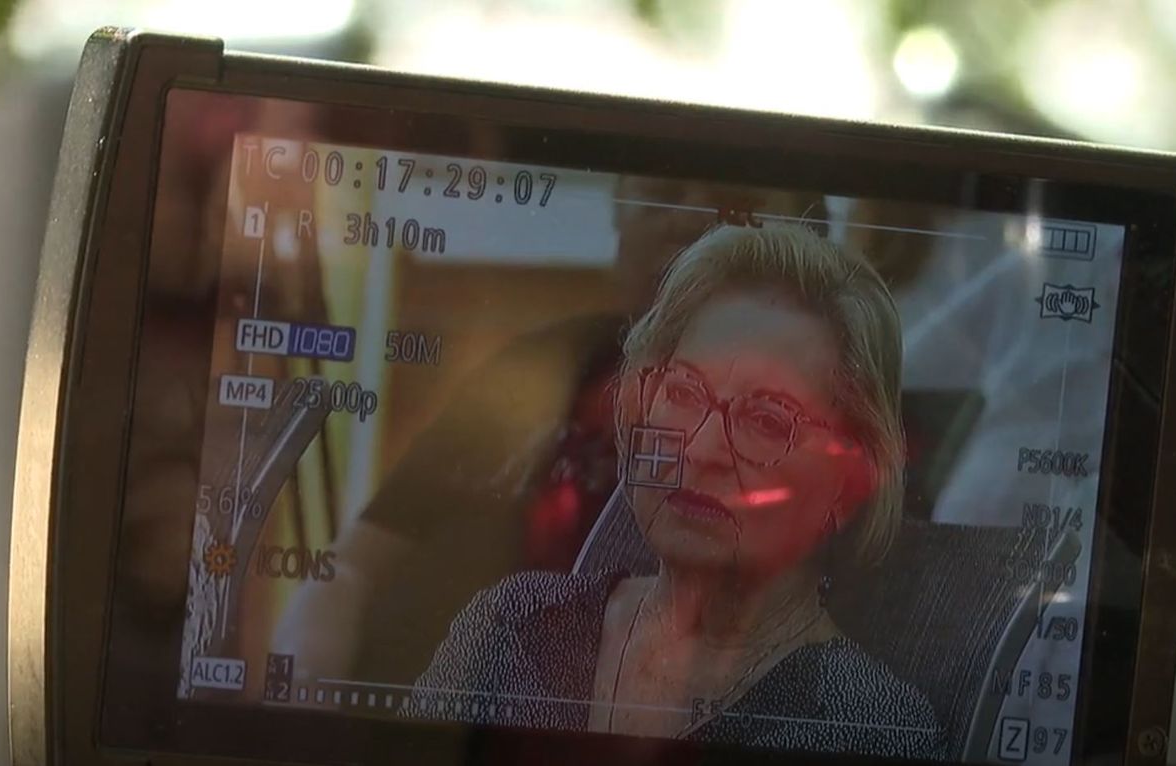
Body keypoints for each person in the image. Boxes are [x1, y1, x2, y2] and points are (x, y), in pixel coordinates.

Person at [406, 224, 944, 759]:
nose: (702, 449)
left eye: (767, 420)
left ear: (847, 483)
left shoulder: (872, 726)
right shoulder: (511, 625)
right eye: (685, 392)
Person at [271, 179, 827, 687]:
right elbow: (351, 565)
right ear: (619, 212)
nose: (688, 217)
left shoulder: (816, 442)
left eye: (736, 203)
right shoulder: (539, 362)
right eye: (664, 192)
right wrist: (305, 671)